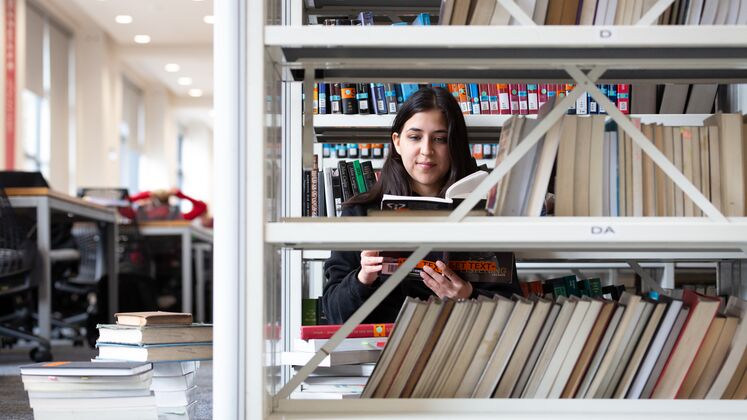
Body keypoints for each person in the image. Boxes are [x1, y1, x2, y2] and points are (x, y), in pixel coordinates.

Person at [321, 87, 522, 324]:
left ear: (454, 145)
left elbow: (512, 307)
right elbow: (335, 314)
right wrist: (363, 277)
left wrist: (468, 296)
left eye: (440, 139)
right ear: (397, 142)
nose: (427, 151)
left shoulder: (484, 212)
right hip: (380, 356)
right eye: (415, 137)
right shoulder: (359, 213)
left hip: (459, 347)